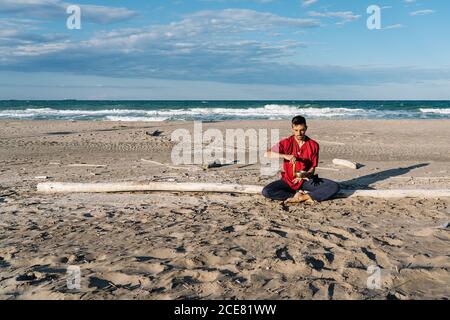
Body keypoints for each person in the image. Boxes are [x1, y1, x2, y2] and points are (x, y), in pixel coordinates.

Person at [262, 115, 340, 204]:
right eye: (296, 130)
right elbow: (266, 153)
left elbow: (312, 170)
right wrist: (285, 156)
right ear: (292, 128)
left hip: (305, 181)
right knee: (266, 191)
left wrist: (304, 175)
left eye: (302, 130)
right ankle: (295, 195)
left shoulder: (314, 145)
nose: (299, 133)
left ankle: (302, 197)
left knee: (334, 186)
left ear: (306, 128)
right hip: (288, 180)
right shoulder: (286, 142)